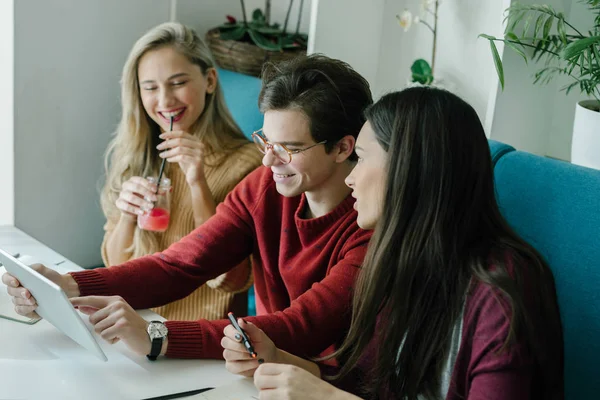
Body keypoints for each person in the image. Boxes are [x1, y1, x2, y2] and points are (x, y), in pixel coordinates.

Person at [3, 54, 373, 363]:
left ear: (342, 148)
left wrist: (157, 336)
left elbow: (299, 329)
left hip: (332, 385)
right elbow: (179, 265)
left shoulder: (371, 225)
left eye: (288, 148)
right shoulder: (266, 188)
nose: (268, 161)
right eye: (265, 141)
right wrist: (67, 284)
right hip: (262, 367)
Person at [221, 88, 564, 399]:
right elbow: (370, 386)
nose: (351, 178)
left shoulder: (501, 291)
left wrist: (326, 397)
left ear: (409, 170)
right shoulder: (400, 263)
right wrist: (280, 360)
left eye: (363, 158)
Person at [101, 22, 263, 321]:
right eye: (150, 87)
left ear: (210, 81)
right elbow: (116, 267)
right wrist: (126, 215)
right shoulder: (136, 156)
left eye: (177, 83)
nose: (165, 101)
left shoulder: (249, 164)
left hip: (198, 338)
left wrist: (198, 183)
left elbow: (232, 279)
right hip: (134, 325)